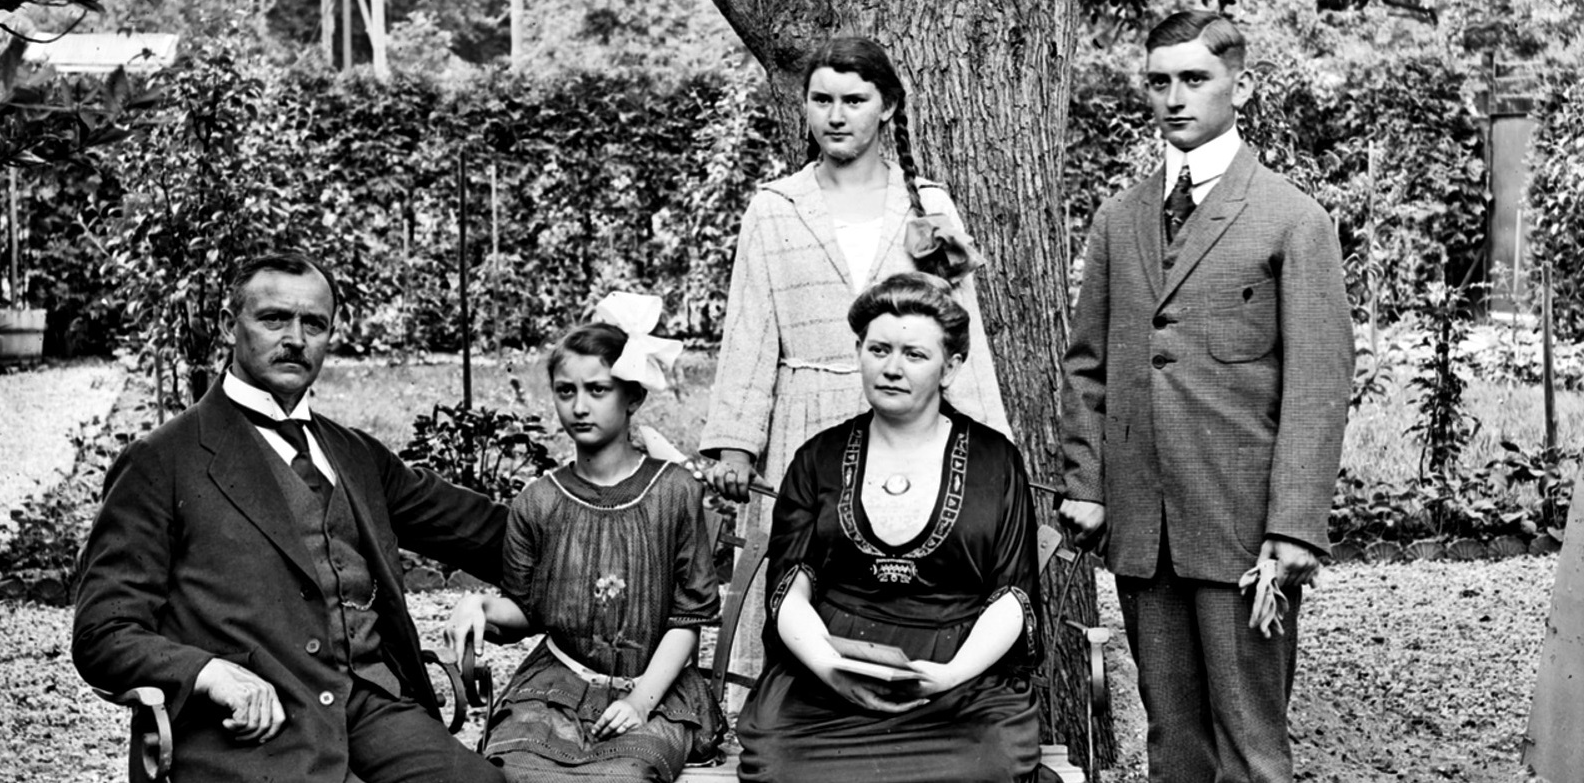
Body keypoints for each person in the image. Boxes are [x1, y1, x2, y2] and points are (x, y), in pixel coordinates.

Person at [72, 253, 507, 783]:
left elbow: (494, 533)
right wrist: (209, 672)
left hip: (374, 710)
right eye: (274, 319)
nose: (296, 339)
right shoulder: (162, 461)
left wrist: (600, 507)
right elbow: (103, 632)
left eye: (314, 324)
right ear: (228, 325)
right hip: (252, 733)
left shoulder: (356, 455)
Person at [1056, 11, 1353, 783]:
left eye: (1194, 79)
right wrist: (1086, 483)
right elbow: (1086, 365)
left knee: (1251, 748)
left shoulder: (1291, 219)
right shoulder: (1119, 219)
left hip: (1241, 531)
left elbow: (1318, 385)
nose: (1173, 97)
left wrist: (1293, 525)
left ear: (1239, 87)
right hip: (1142, 527)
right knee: (1174, 746)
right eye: (1158, 81)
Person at [700, 35, 1012, 693]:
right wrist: (734, 444)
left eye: (854, 99)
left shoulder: (927, 207)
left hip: (909, 431)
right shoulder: (775, 207)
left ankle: (906, 692)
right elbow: (749, 331)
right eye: (821, 100)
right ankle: (791, 703)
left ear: (887, 107)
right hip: (804, 422)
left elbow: (964, 334)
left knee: (901, 565)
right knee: (800, 577)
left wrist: (990, 444)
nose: (836, 116)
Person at [735, 272, 1043, 783]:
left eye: (914, 355)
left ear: (951, 367)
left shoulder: (996, 461)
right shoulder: (818, 458)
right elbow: (789, 588)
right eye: (878, 350)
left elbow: (1013, 593)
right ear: (859, 352)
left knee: (989, 767)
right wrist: (828, 668)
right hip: (830, 675)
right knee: (778, 769)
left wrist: (949, 676)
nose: (892, 368)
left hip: (958, 684)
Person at [445, 292, 724, 782]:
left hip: (653, 688)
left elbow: (688, 619)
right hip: (557, 684)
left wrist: (640, 702)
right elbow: (527, 612)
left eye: (598, 390)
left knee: (621, 775)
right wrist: (480, 606)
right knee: (513, 770)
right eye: (565, 391)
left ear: (633, 396)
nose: (579, 406)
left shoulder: (674, 492)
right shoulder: (539, 501)